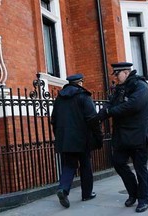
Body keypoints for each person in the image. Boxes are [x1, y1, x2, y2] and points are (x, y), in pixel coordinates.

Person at [97, 62, 148, 213]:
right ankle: (133, 192)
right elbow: (109, 104)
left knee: (140, 169)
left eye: (117, 74)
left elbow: (133, 106)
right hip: (122, 136)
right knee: (118, 163)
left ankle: (143, 199)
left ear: (125, 72)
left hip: (138, 135)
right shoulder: (120, 89)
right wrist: (99, 116)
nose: (116, 78)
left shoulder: (141, 86)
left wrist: (110, 112)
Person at [51, 73, 103, 208]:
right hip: (82, 138)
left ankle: (63, 189)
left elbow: (54, 120)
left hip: (64, 140)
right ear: (80, 83)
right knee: (85, 165)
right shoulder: (83, 96)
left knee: (69, 165)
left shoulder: (59, 98)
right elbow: (92, 118)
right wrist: (98, 136)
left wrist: (59, 136)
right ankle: (87, 194)